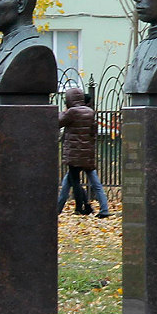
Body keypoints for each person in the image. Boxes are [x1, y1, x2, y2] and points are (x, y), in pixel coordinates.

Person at [56, 85, 110, 217]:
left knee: (73, 181)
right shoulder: (90, 112)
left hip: (74, 154)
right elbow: (94, 132)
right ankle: (104, 209)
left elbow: (57, 122)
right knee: (94, 182)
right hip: (87, 153)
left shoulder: (72, 112)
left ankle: (82, 206)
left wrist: (63, 111)